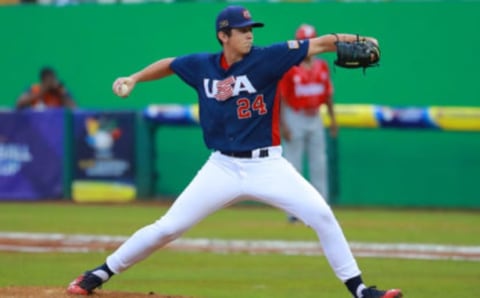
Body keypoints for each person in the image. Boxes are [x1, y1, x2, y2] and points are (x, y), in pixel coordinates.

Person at [66, 6, 402, 298]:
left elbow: (322, 43)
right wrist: (135, 77)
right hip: (221, 168)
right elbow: (170, 63)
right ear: (223, 35)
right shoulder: (202, 66)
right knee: (167, 228)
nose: (249, 35)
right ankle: (98, 274)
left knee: (323, 216)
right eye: (242, 30)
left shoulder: (269, 58)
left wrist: (362, 38)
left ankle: (360, 290)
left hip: (268, 165)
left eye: (251, 29)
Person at [277, 24, 337, 222]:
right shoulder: (290, 67)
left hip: (315, 116)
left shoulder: (322, 66)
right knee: (293, 164)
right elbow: (282, 98)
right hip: (295, 116)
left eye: (310, 40)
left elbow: (328, 94)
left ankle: (321, 208)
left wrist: (333, 119)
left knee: (319, 162)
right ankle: (294, 211)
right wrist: (283, 125)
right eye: (303, 41)